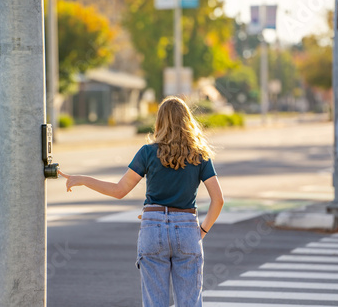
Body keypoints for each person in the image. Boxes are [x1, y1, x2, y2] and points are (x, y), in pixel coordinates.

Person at [59, 96, 224, 307]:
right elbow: (218, 200)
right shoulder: (199, 155)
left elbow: (119, 191)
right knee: (190, 302)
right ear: (187, 121)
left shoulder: (148, 153)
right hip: (187, 227)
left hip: (152, 228)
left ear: (160, 122)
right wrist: (202, 230)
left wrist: (82, 179)